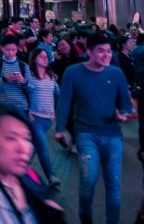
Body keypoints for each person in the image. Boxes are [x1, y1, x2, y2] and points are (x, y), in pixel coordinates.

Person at [55, 32, 133, 224]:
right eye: (101, 51)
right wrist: (59, 128)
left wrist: (123, 114)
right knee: (88, 179)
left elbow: (126, 104)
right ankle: (86, 216)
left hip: (113, 135)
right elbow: (65, 101)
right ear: (89, 51)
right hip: (86, 133)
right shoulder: (73, 72)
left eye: (108, 51)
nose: (106, 55)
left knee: (113, 183)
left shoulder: (116, 73)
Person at [26, 46, 61, 188]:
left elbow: (57, 95)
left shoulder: (51, 75)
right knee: (42, 146)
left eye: (46, 56)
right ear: (34, 59)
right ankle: (50, 176)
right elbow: (25, 94)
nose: (45, 59)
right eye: (41, 56)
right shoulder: (30, 76)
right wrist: (28, 112)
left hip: (48, 119)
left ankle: (17, 171)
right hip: (35, 118)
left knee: (34, 147)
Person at [0, 34, 32, 116]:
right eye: (7, 50)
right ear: (1, 48)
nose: (11, 53)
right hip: (0, 107)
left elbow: (32, 89)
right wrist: (4, 79)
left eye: (13, 50)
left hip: (21, 108)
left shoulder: (24, 66)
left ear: (17, 48)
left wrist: (23, 81)